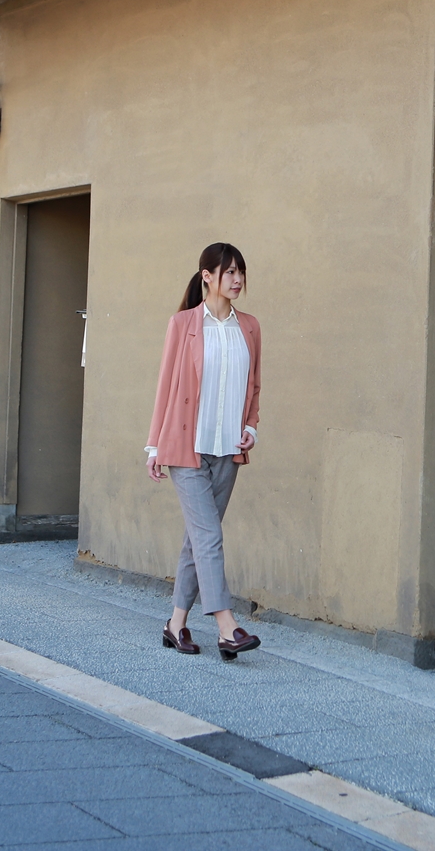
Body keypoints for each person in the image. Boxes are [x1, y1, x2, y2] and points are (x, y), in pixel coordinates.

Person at [146, 242, 263, 660]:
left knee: (197, 541)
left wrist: (251, 426)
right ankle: (226, 627)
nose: (237, 279)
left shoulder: (249, 327)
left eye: (240, 272)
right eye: (229, 272)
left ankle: (175, 625)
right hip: (186, 449)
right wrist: (154, 445)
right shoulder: (183, 324)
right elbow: (165, 386)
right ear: (207, 277)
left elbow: (254, 386)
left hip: (228, 451)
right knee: (210, 535)